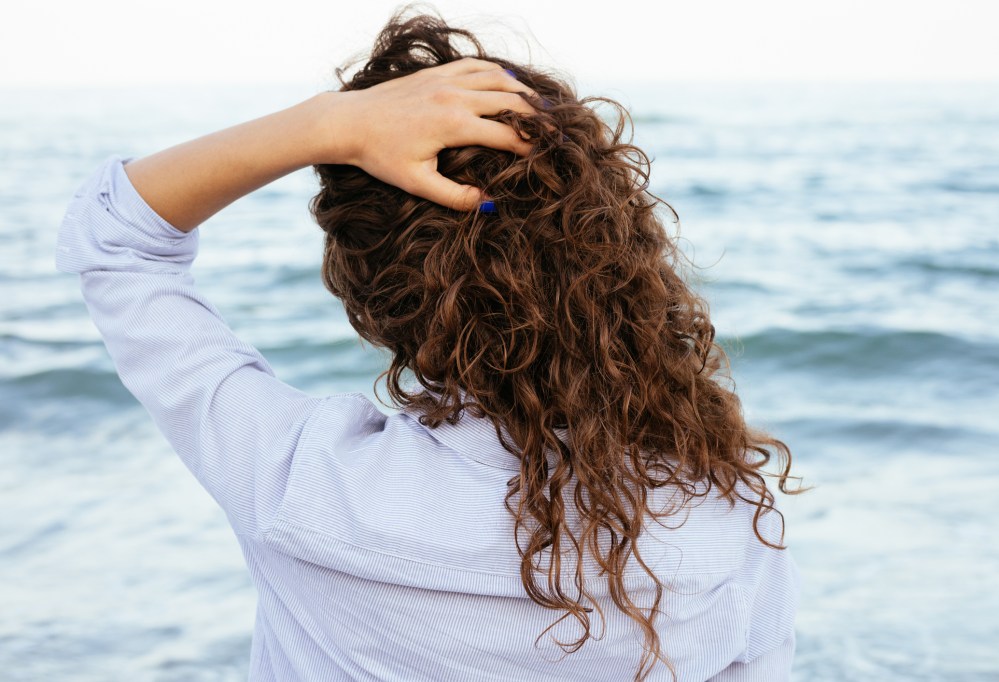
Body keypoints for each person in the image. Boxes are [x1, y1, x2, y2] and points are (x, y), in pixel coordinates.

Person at [56, 11, 801, 682]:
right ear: (613, 249)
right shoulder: (729, 523)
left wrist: (329, 124)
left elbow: (116, 239)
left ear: (370, 296)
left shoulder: (301, 486)